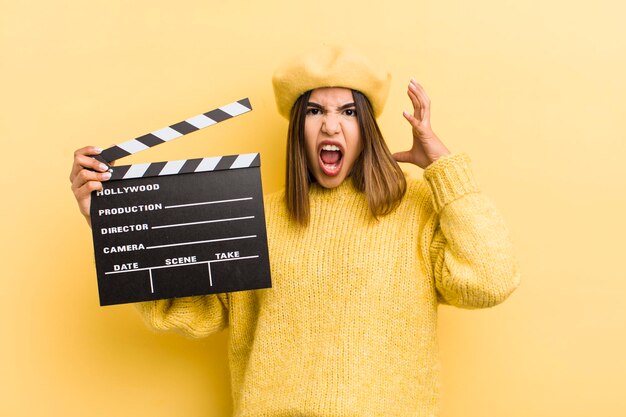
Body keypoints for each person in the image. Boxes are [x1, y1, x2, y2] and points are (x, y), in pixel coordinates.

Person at [70, 45, 520, 416]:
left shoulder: (417, 209)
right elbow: (181, 309)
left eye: (347, 111)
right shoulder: (255, 219)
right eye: (314, 111)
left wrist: (444, 168)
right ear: (298, 128)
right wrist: (108, 223)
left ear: (365, 127)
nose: (330, 125)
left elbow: (490, 279)